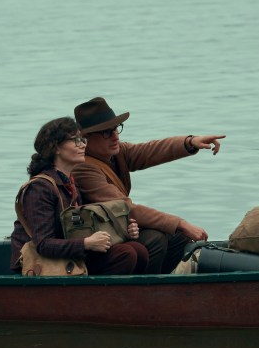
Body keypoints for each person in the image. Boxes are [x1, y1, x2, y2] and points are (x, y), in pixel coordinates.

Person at [72, 97, 225, 273]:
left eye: (116, 129)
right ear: (86, 138)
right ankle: (145, 293)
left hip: (123, 229)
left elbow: (150, 150)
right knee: (155, 239)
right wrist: (180, 223)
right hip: (100, 240)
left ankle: (165, 287)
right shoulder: (83, 168)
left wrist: (190, 142)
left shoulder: (115, 152)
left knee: (178, 238)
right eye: (106, 132)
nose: (115, 136)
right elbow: (125, 208)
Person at [10, 117, 149, 275]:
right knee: (126, 254)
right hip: (40, 265)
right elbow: (43, 244)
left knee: (139, 251)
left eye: (82, 139)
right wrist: (86, 243)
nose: (83, 144)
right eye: (76, 140)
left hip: (67, 255)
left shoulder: (71, 183)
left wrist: (124, 230)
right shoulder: (39, 188)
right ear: (55, 147)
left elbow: (76, 228)